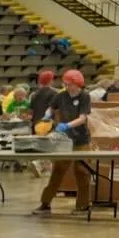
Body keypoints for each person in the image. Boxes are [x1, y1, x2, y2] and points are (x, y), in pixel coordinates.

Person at [36, 69, 93, 214]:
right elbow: (51, 107)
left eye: (70, 84)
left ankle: (83, 205)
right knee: (58, 171)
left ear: (77, 83)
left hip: (81, 139)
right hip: (64, 140)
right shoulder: (61, 95)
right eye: (66, 84)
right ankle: (45, 203)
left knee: (82, 171)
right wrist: (47, 115)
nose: (68, 87)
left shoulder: (84, 96)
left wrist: (67, 125)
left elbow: (83, 117)